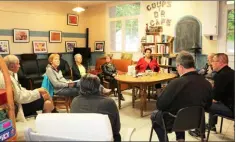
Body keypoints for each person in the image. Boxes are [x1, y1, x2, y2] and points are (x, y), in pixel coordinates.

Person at [150, 51, 212, 142]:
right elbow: (208, 105)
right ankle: (180, 139)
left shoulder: (175, 83)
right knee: (179, 110)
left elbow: (160, 105)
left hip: (176, 122)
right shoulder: (207, 83)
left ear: (180, 67)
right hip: (197, 121)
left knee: (155, 115)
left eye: (177, 67)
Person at [0, 55, 54, 122]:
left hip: (18, 103)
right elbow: (19, 97)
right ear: (11, 66)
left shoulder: (9, 75)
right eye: (18, 64)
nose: (19, 66)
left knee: (47, 101)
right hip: (17, 107)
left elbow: (19, 90)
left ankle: (45, 122)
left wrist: (34, 91)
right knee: (47, 101)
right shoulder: (7, 78)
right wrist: (37, 91)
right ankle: (49, 117)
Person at [70, 74, 121, 142]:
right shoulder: (109, 102)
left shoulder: (75, 101)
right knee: (117, 136)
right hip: (104, 138)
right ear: (99, 86)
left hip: (82, 138)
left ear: (81, 86)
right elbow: (116, 128)